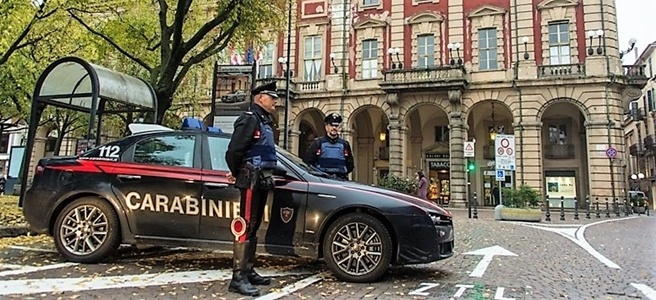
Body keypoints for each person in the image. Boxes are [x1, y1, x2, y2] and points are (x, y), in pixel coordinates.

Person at [224, 81, 279, 297]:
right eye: (271, 97)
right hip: (251, 178)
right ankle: (237, 278)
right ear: (260, 98)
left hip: (262, 178)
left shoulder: (264, 120)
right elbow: (233, 151)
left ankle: (248, 270)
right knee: (244, 225)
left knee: (254, 225)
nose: (275, 101)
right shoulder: (249, 119)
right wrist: (238, 172)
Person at [304, 113, 354, 180]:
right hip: (321, 180)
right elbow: (308, 163)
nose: (334, 128)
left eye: (336, 126)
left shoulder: (345, 144)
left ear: (339, 128)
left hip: (340, 180)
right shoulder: (317, 143)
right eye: (331, 125)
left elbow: (350, 165)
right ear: (326, 127)